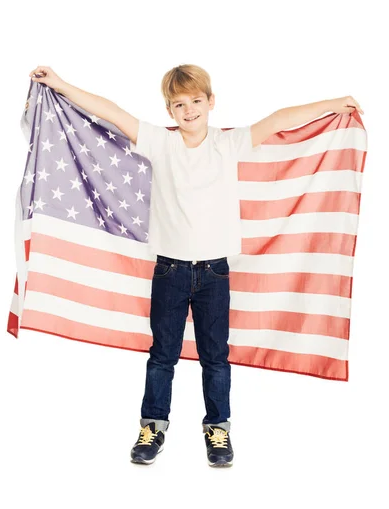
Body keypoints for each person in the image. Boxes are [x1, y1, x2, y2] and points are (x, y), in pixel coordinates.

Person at [28, 64, 364, 467]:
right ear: (170, 111)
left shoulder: (228, 145)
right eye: (179, 104)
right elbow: (112, 112)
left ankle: (217, 429)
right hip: (170, 270)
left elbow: (278, 119)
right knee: (162, 355)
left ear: (211, 102)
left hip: (214, 272)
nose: (189, 110)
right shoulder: (161, 143)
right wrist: (60, 84)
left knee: (215, 357)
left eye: (196, 101)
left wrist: (335, 102)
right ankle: (152, 426)